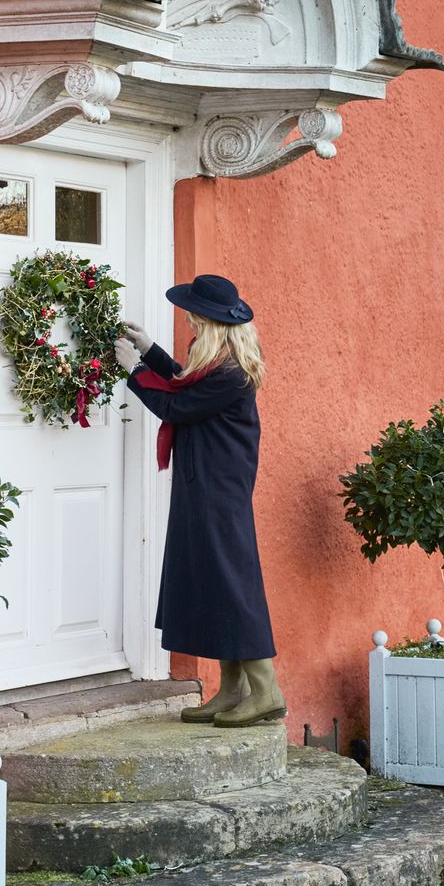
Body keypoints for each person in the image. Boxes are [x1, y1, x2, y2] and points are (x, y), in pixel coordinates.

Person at [115, 275, 283, 728]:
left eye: (193, 313)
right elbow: (182, 386)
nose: (187, 317)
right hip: (204, 485)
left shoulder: (230, 372)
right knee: (213, 579)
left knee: (232, 583)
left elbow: (177, 407)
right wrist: (150, 350)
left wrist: (134, 370)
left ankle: (265, 691)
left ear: (210, 322)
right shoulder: (214, 362)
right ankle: (231, 690)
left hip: (220, 490)